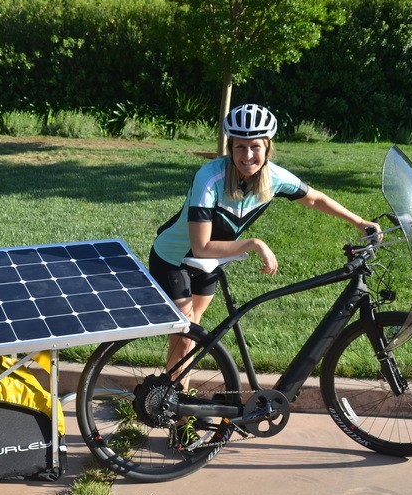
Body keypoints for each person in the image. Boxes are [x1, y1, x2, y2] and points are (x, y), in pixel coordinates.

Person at [148, 103, 380, 445]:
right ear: (230, 149)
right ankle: (173, 415)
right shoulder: (209, 177)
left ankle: (175, 400)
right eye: (239, 146)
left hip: (212, 263)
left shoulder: (275, 178)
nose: (247, 154)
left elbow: (314, 199)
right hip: (173, 258)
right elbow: (200, 247)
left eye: (255, 145)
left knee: (193, 339)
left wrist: (359, 222)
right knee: (186, 335)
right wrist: (253, 243)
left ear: (267, 147)